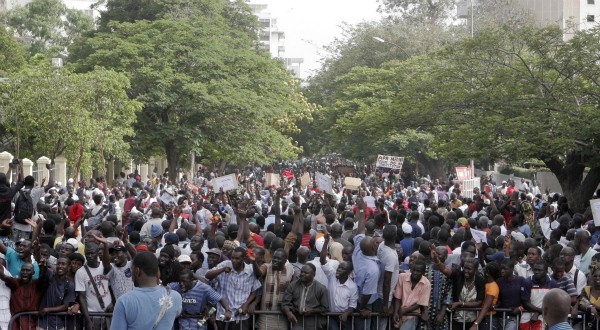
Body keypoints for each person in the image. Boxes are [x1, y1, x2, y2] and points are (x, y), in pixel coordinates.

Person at [110, 251, 182, 330]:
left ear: (137, 271)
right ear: (158, 272)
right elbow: (177, 313)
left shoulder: (124, 301)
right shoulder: (175, 297)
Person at [205, 246, 261, 330]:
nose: (234, 260)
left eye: (237, 258)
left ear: (244, 258)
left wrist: (246, 304)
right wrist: (222, 270)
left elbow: (255, 290)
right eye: (232, 257)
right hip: (223, 315)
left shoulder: (250, 270)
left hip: (241, 316)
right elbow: (207, 275)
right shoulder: (225, 264)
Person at [320, 233, 357, 330]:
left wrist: (346, 313)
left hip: (345, 317)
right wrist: (326, 243)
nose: (339, 270)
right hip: (331, 316)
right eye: (339, 268)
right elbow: (323, 261)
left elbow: (353, 305)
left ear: (349, 272)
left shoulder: (352, 286)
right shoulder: (332, 276)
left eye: (342, 269)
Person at [0, 259, 48, 330]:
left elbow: (43, 278)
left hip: (32, 322)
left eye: (28, 270)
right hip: (16, 322)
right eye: (23, 270)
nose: (25, 272)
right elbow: (4, 277)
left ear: (33, 272)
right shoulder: (16, 283)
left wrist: (44, 268)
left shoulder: (37, 284)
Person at [281, 263, 330, 330]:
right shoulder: (293, 285)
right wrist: (288, 312)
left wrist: (312, 310)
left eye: (306, 273)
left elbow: (325, 308)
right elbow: (285, 302)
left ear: (314, 275)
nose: (302, 274)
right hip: (297, 321)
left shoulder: (321, 288)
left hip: (314, 322)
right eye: (302, 272)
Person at [75, 243, 112, 330]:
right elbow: (82, 297)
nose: (90, 256)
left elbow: (112, 288)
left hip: (108, 314)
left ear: (98, 252)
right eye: (87, 253)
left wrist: (113, 303)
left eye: (92, 253)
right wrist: (88, 320)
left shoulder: (105, 266)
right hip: (92, 315)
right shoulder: (80, 272)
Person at [520, 260, 559, 330]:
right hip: (527, 316)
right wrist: (539, 311)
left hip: (544, 318)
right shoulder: (527, 282)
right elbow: (525, 303)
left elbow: (554, 303)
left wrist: (538, 313)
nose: (536, 272)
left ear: (546, 271)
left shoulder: (553, 283)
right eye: (535, 269)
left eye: (539, 270)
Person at [393, 260, 431, 330]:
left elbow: (421, 302)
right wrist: (395, 312)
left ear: (423, 272)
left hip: (412, 315)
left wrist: (406, 310)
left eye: (418, 271)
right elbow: (397, 297)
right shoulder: (402, 277)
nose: (414, 273)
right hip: (399, 313)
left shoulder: (426, 284)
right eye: (413, 270)